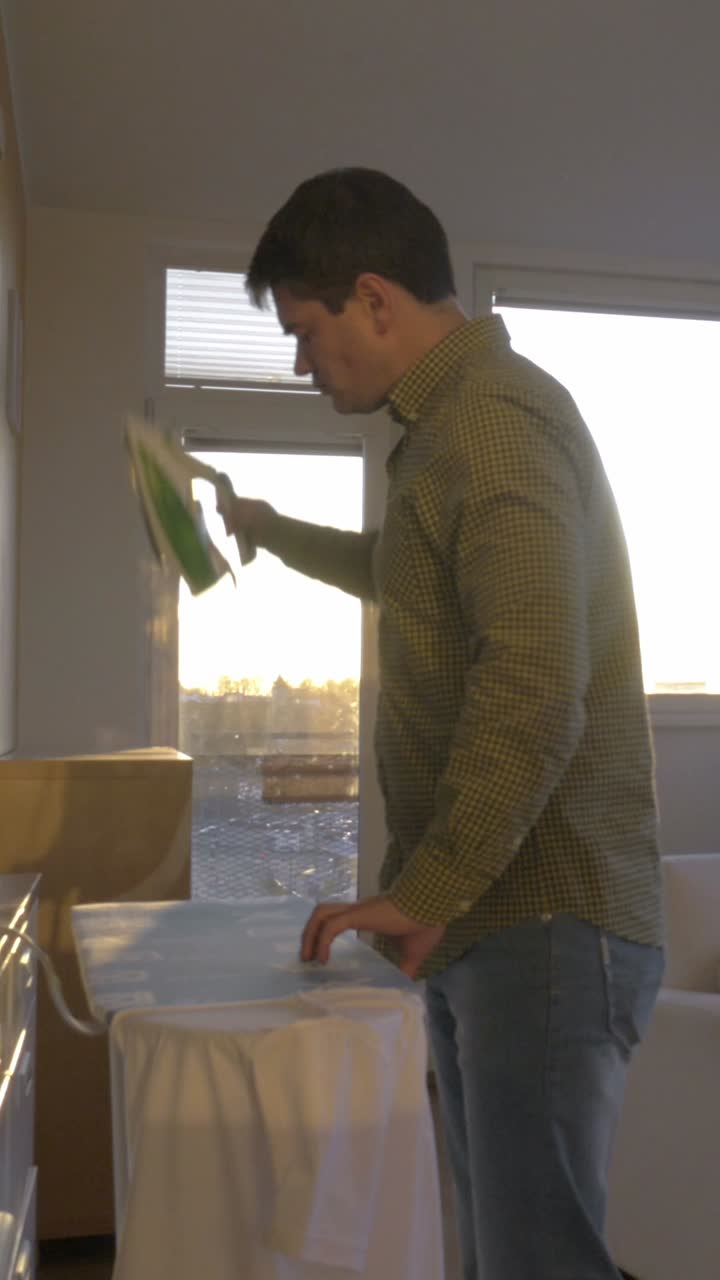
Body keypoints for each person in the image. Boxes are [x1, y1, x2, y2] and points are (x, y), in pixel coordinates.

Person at [218, 167, 664, 1280]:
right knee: (502, 1253)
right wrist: (272, 529)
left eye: (306, 331)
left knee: (534, 1259)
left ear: (373, 298)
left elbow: (533, 686)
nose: (302, 363)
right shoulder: (452, 431)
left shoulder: (492, 423)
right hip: (497, 913)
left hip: (543, 911)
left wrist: (424, 890)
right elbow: (403, 569)